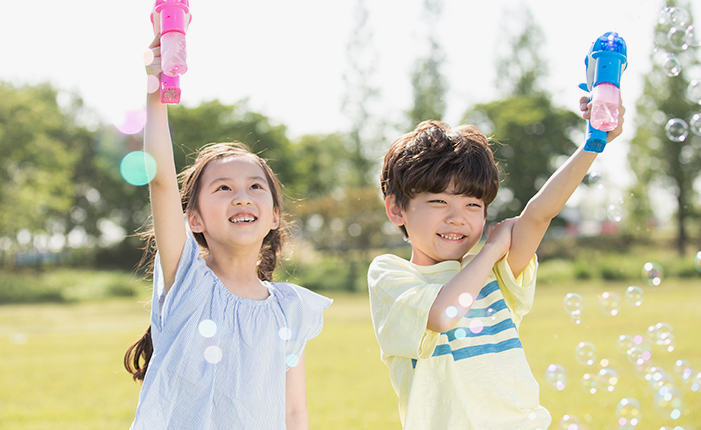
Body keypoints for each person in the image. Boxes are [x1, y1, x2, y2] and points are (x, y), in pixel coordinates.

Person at [368, 98, 624, 429]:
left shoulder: (498, 273)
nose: (457, 218)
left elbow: (539, 214)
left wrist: (594, 143)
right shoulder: (391, 275)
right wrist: (490, 250)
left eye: (473, 204)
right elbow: (443, 315)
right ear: (396, 209)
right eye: (438, 201)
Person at [124, 37, 332, 430]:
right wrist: (156, 90)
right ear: (195, 220)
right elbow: (163, 183)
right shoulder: (188, 281)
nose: (242, 197)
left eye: (255, 187)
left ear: (274, 216)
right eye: (223, 188)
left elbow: (293, 411)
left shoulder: (290, 309)